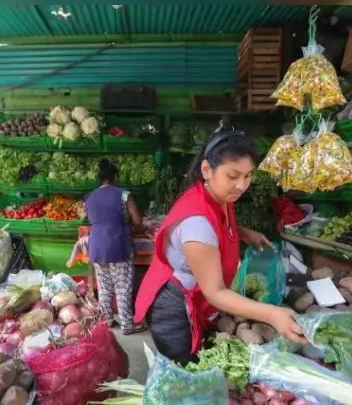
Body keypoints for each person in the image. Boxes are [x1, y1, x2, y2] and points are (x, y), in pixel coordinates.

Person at [133, 131, 306, 363]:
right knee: (186, 368)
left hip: (194, 297)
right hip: (175, 309)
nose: (242, 185)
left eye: (248, 175)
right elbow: (215, 293)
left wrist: (244, 233)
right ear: (207, 170)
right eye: (233, 176)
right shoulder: (197, 225)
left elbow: (219, 223)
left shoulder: (217, 195)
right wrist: (272, 314)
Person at [85, 159, 146, 335]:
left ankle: (107, 321)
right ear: (116, 177)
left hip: (97, 244)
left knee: (104, 287)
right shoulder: (124, 195)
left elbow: (92, 218)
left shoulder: (90, 197)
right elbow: (138, 220)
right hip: (118, 243)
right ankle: (127, 324)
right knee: (122, 286)